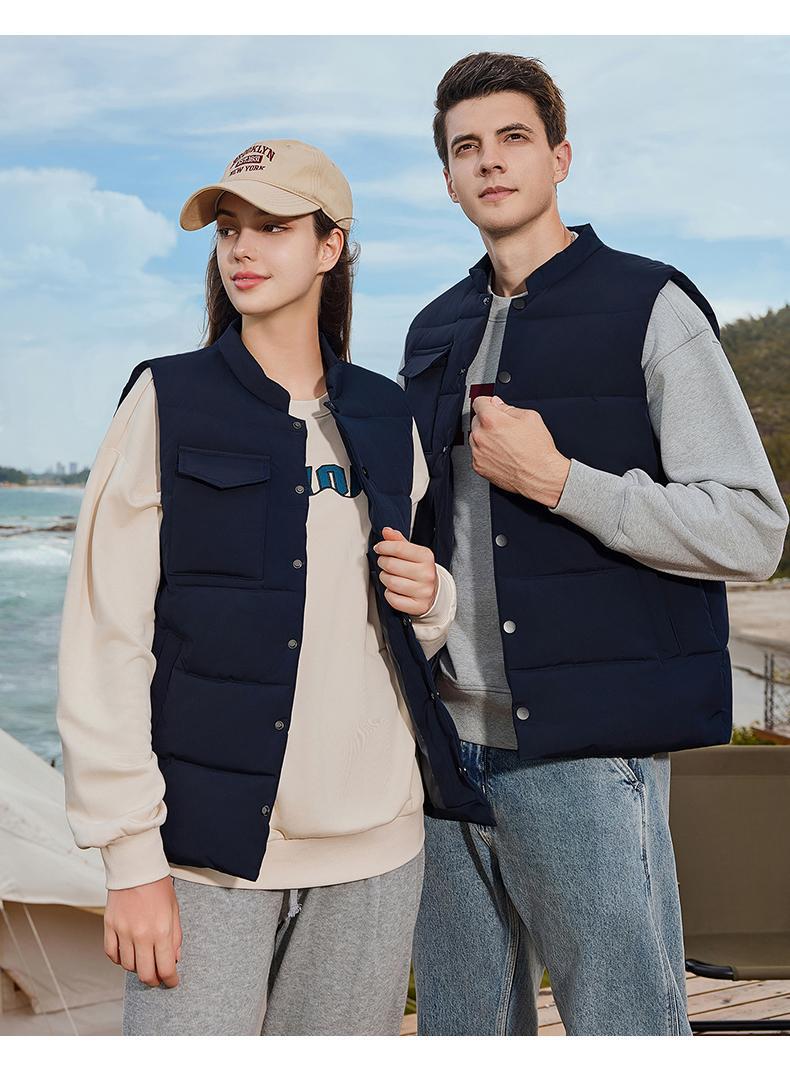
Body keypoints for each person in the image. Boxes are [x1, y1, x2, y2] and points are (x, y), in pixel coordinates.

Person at [399, 52, 789, 1036]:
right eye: (466, 147)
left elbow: (753, 529)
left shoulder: (652, 306)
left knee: (626, 1025)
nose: (490, 161)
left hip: (582, 752)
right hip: (443, 749)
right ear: (447, 178)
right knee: (460, 1032)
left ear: (560, 157)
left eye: (513, 138)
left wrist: (560, 481)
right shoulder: (432, 329)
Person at [56, 138, 469, 1036]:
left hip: (377, 850)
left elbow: (397, 624)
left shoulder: (386, 413)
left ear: (330, 246)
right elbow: (104, 639)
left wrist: (434, 600)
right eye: (228, 229)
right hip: (205, 856)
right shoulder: (165, 401)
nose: (242, 248)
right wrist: (131, 857)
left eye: (273, 227)